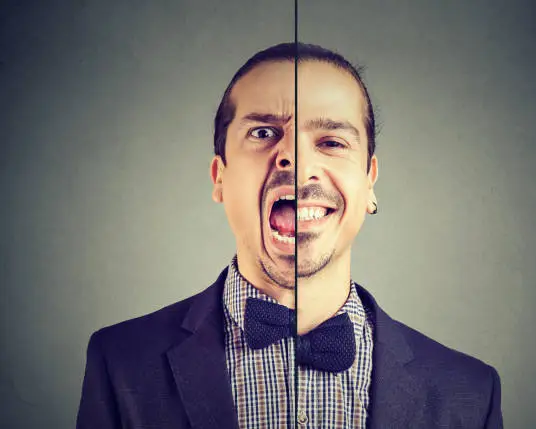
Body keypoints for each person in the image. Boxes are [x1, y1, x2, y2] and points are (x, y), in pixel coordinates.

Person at [76, 42, 503, 429]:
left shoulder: (470, 394)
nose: (296, 162)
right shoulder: (121, 364)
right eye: (263, 133)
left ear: (369, 182)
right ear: (219, 177)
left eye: (332, 141)